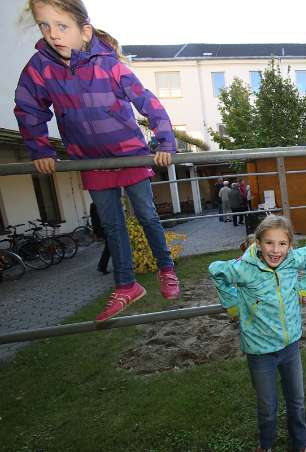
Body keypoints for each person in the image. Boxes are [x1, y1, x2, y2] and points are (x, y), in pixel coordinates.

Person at [15, 0, 181, 322]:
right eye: (44, 26)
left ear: (84, 31)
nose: (52, 34)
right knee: (112, 225)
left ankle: (166, 268)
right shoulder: (41, 68)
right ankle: (126, 285)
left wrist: (164, 142)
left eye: (61, 26)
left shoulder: (110, 66)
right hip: (90, 161)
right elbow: (28, 107)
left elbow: (148, 102)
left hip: (130, 155)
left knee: (147, 215)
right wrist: (40, 149)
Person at [209, 215, 306, 452]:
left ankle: (300, 445)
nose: (276, 250)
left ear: (290, 245)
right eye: (269, 243)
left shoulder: (292, 259)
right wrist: (233, 305)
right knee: (268, 408)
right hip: (260, 352)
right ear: (258, 243)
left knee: (297, 402)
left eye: (282, 243)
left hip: (290, 347)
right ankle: (266, 446)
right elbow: (217, 270)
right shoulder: (244, 269)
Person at [90, 202, 110, 274]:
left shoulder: (94, 205)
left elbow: (94, 220)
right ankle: (102, 266)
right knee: (109, 247)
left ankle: (102, 266)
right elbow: (96, 219)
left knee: (109, 247)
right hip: (104, 229)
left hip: (102, 229)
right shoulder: (97, 205)